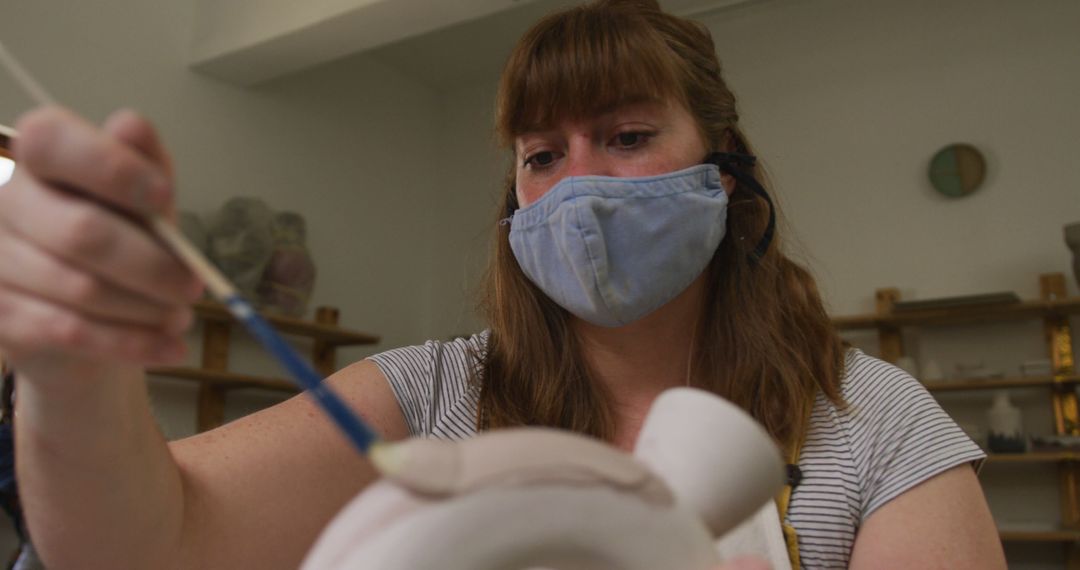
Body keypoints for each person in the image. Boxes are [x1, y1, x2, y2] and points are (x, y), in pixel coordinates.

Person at [0, 0, 1006, 568]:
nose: (577, 190)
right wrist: (71, 372)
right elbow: (136, 547)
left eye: (626, 135)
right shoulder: (428, 397)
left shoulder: (874, 424)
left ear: (726, 172)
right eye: (540, 155)